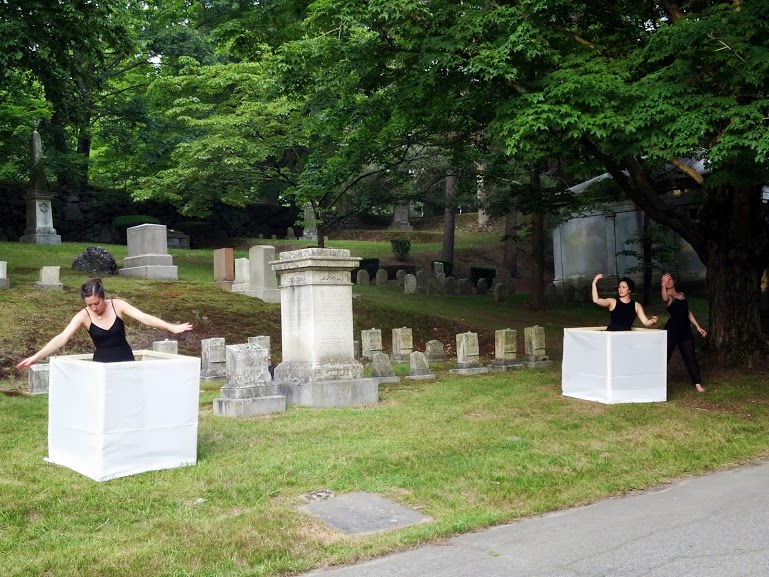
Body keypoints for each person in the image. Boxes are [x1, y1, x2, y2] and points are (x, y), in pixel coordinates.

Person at [16, 278, 193, 367]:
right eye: (89, 304)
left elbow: (144, 317)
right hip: (101, 362)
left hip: (125, 358)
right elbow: (62, 338)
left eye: (96, 303)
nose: (93, 307)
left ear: (103, 297)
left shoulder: (118, 305)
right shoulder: (82, 316)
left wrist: (172, 327)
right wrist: (36, 357)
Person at [661, 272, 706, 393]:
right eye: (666, 280)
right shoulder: (668, 297)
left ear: (674, 281)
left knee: (690, 356)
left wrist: (697, 326)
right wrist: (662, 284)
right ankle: (657, 380)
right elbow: (664, 298)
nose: (668, 282)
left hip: (685, 330)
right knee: (665, 356)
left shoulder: (682, 295)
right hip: (672, 330)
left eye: (670, 279)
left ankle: (697, 382)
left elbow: (687, 312)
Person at [591, 273, 658, 331]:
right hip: (612, 335)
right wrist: (594, 283)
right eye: (619, 287)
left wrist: (652, 321)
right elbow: (596, 300)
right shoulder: (612, 302)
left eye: (623, 287)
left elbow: (646, 322)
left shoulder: (637, 305)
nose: (621, 289)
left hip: (626, 337)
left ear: (629, 290)